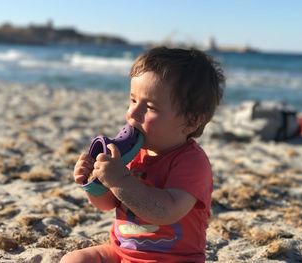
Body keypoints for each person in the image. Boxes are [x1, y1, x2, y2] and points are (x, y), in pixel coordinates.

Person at [60, 47, 225, 263]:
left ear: (191, 121)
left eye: (150, 107)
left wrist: (120, 179)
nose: (133, 113)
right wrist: (95, 182)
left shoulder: (191, 162)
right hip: (122, 253)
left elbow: (166, 211)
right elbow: (108, 203)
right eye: (133, 100)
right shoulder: (130, 153)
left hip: (173, 259)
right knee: (75, 259)